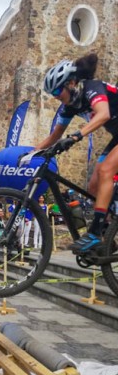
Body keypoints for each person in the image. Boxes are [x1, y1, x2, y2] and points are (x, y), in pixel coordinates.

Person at [38, 53, 118, 253]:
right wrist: (30, 153)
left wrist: (76, 136)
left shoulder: (92, 87)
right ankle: (108, 236)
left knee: (106, 170)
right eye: (52, 93)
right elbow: (54, 135)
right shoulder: (69, 106)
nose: (56, 96)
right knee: (92, 185)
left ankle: (94, 232)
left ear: (71, 83)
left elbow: (103, 114)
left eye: (57, 90)